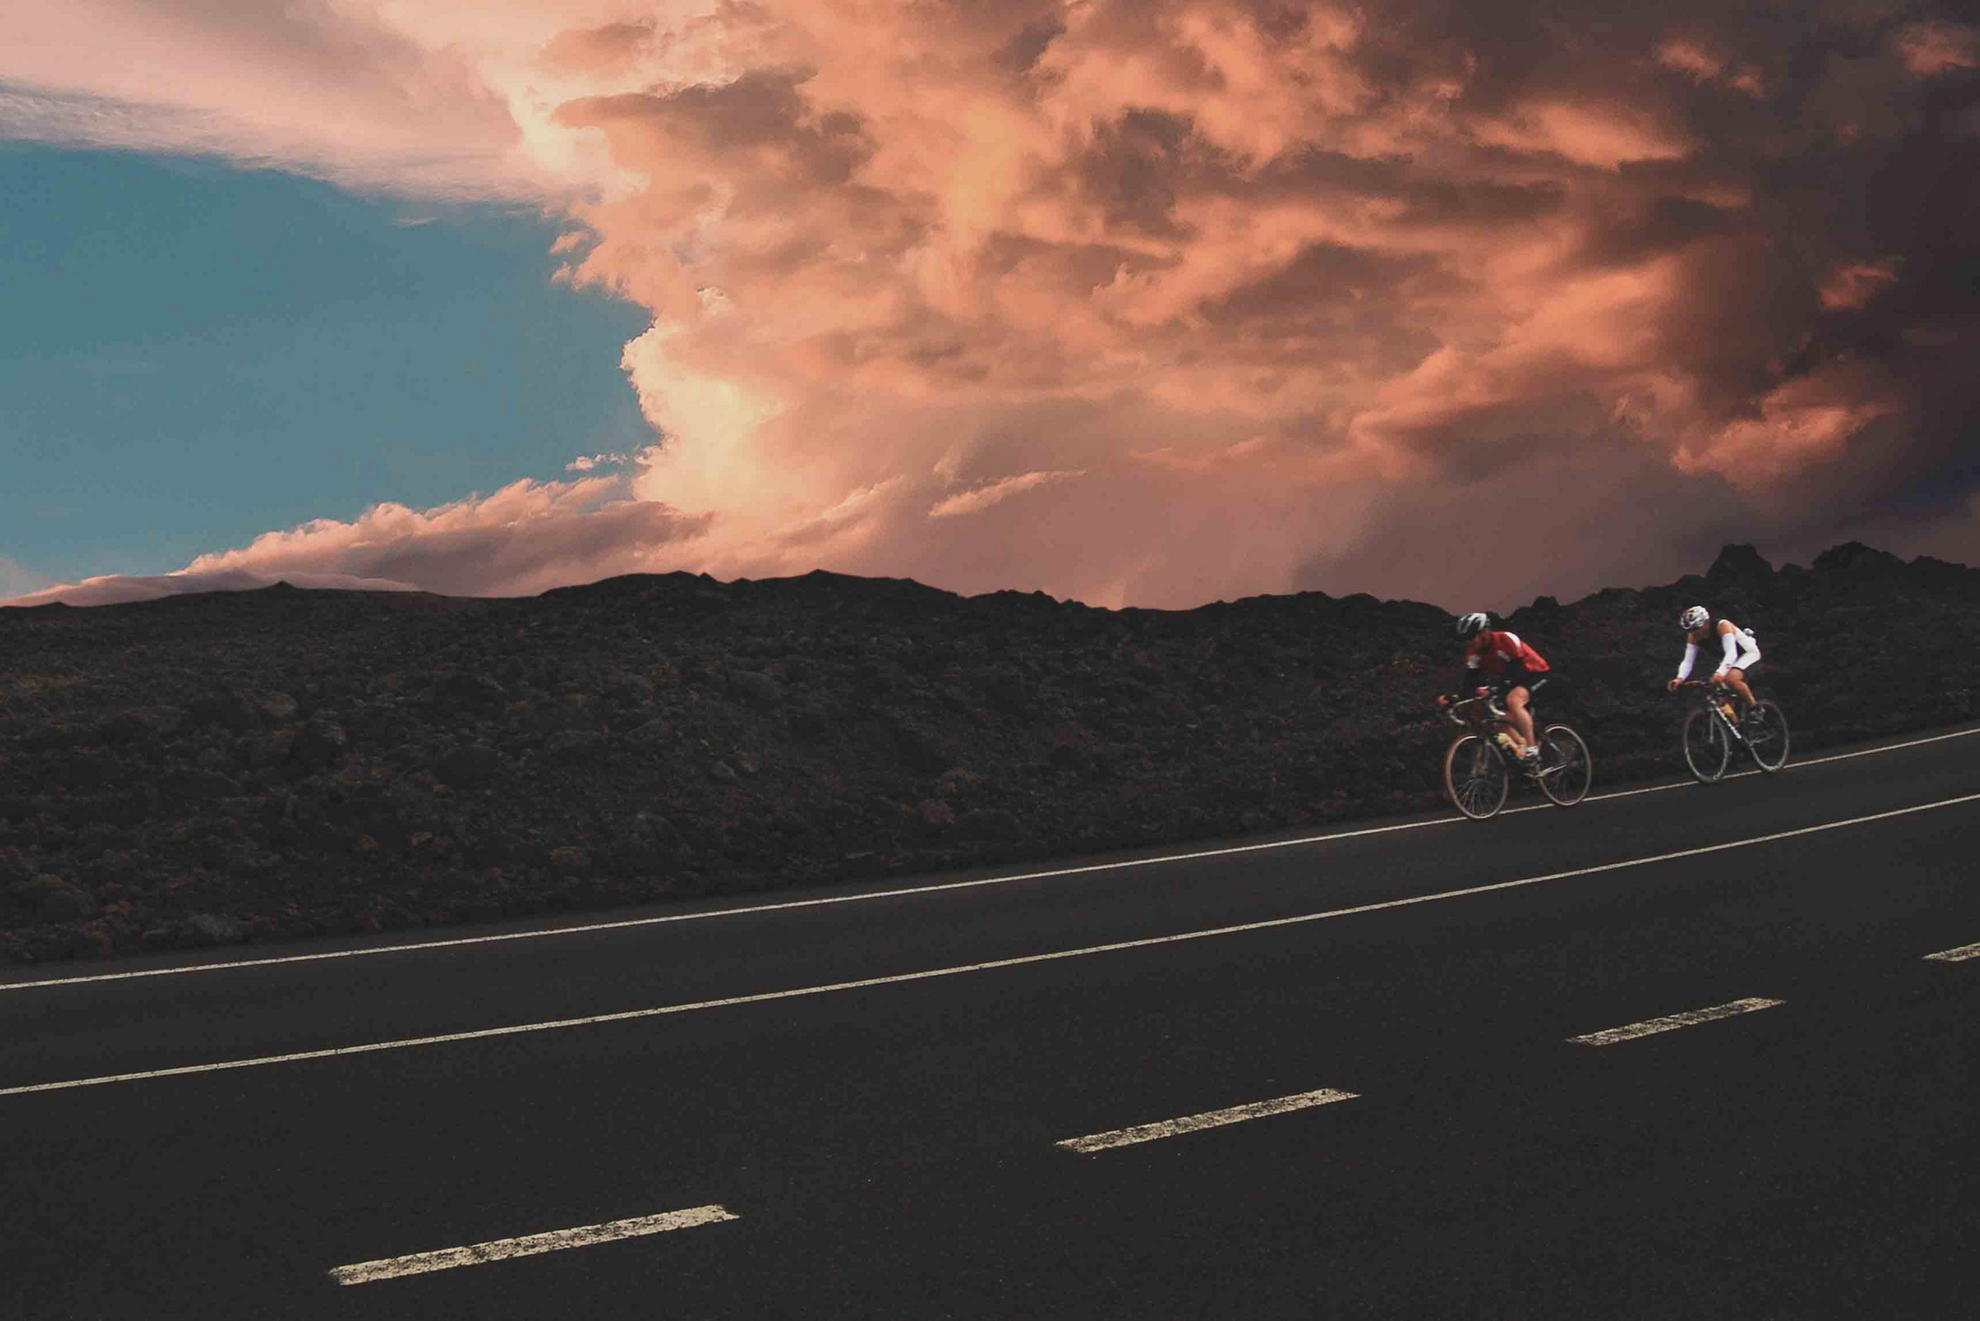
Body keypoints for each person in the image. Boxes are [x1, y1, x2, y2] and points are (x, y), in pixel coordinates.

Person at [1440, 612, 1554, 770]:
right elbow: (1470, 682)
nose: (1469, 642)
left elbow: (1518, 670)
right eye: (1466, 638)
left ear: (1484, 633)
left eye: (1471, 637)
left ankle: (1532, 750)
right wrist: (1454, 698)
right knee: (1497, 721)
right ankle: (1522, 749)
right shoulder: (1474, 652)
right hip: (1512, 680)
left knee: (1513, 700)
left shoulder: (1506, 639)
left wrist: (1494, 689)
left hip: (1535, 673)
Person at [1666, 605, 1761, 717]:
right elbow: (1688, 661)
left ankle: (1755, 709)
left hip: (1747, 654)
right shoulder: (1693, 637)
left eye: (1696, 629)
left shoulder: (1722, 626)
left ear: (1706, 623)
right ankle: (1733, 725)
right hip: (1729, 661)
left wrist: (1720, 673)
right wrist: (1680, 678)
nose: (1693, 633)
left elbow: (1731, 653)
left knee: (1731, 679)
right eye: (1689, 630)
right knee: (1721, 700)